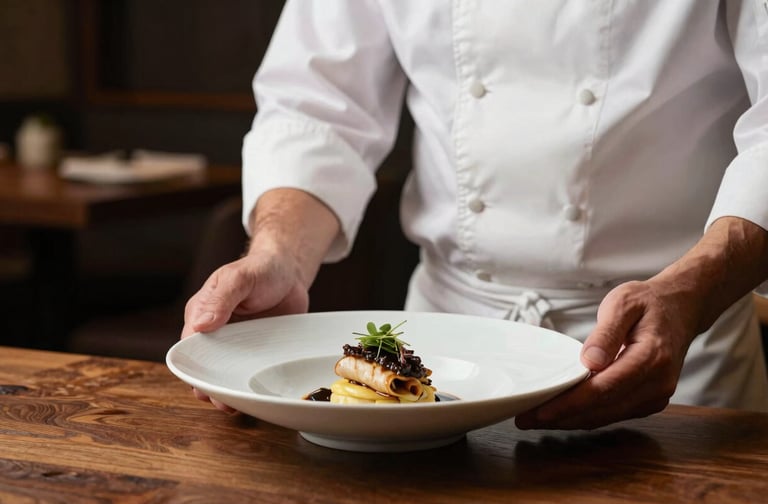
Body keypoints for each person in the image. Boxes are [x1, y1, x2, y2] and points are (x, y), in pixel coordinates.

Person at [182, 0, 768, 428]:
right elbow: (319, 112)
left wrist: (690, 293)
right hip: (444, 350)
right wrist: (277, 254)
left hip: (674, 344)